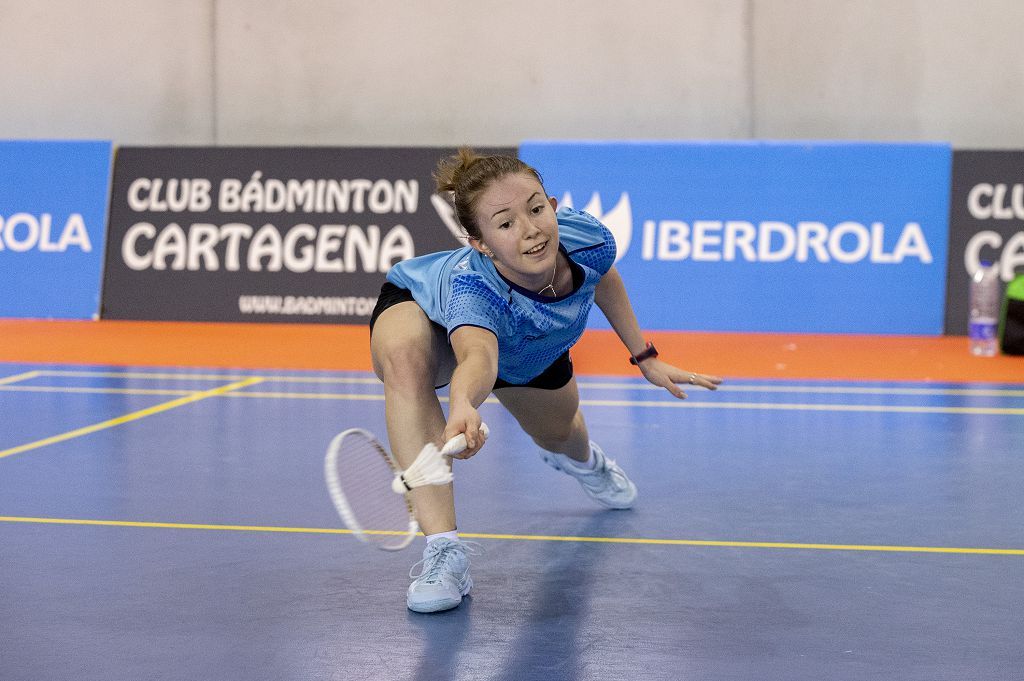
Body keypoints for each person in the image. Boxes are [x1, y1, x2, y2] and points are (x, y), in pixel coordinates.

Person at [369, 149, 722, 613]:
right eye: (506, 222)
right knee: (404, 362)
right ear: (481, 244)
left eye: (535, 209)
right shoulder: (472, 289)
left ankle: (586, 463)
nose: (530, 229)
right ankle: (444, 552)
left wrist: (645, 356)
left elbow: (603, 278)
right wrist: (462, 404)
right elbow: (477, 357)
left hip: (530, 342)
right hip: (430, 317)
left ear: (553, 205)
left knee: (560, 434)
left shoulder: (586, 237)